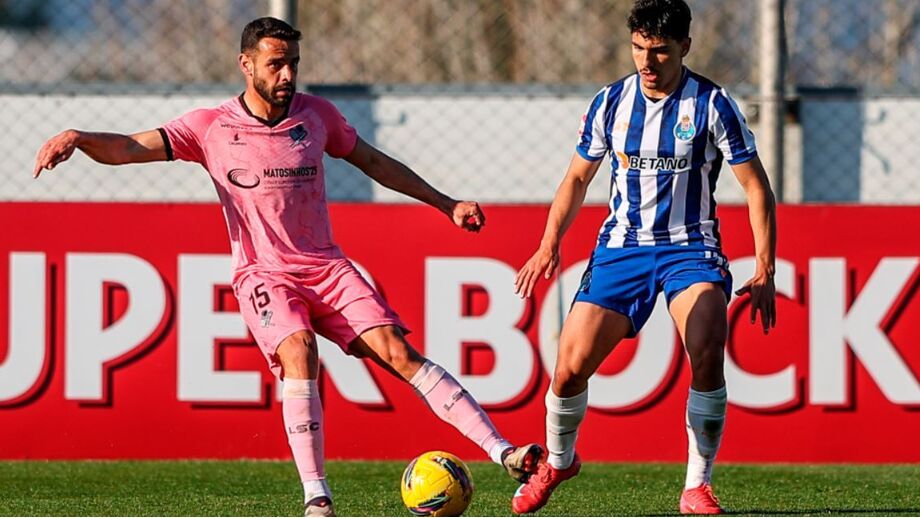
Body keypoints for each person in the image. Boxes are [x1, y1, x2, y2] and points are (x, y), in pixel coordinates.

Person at [33, 17, 542, 517]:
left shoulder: (316, 116)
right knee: (300, 350)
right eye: (276, 64)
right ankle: (317, 499)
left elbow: (374, 162)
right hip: (264, 274)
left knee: (397, 351)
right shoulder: (209, 127)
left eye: (293, 63)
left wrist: (446, 203)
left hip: (327, 267)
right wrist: (79, 136)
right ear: (246, 64)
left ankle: (504, 452)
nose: (287, 75)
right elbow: (127, 147)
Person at [511, 0, 777, 515]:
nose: (647, 62)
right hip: (623, 248)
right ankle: (560, 461)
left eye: (659, 51)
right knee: (568, 370)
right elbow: (577, 178)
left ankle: (696, 486)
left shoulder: (713, 104)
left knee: (707, 345)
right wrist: (549, 242)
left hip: (690, 248)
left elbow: (755, 187)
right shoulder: (611, 102)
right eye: (638, 49)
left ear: (685, 47)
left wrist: (765, 266)